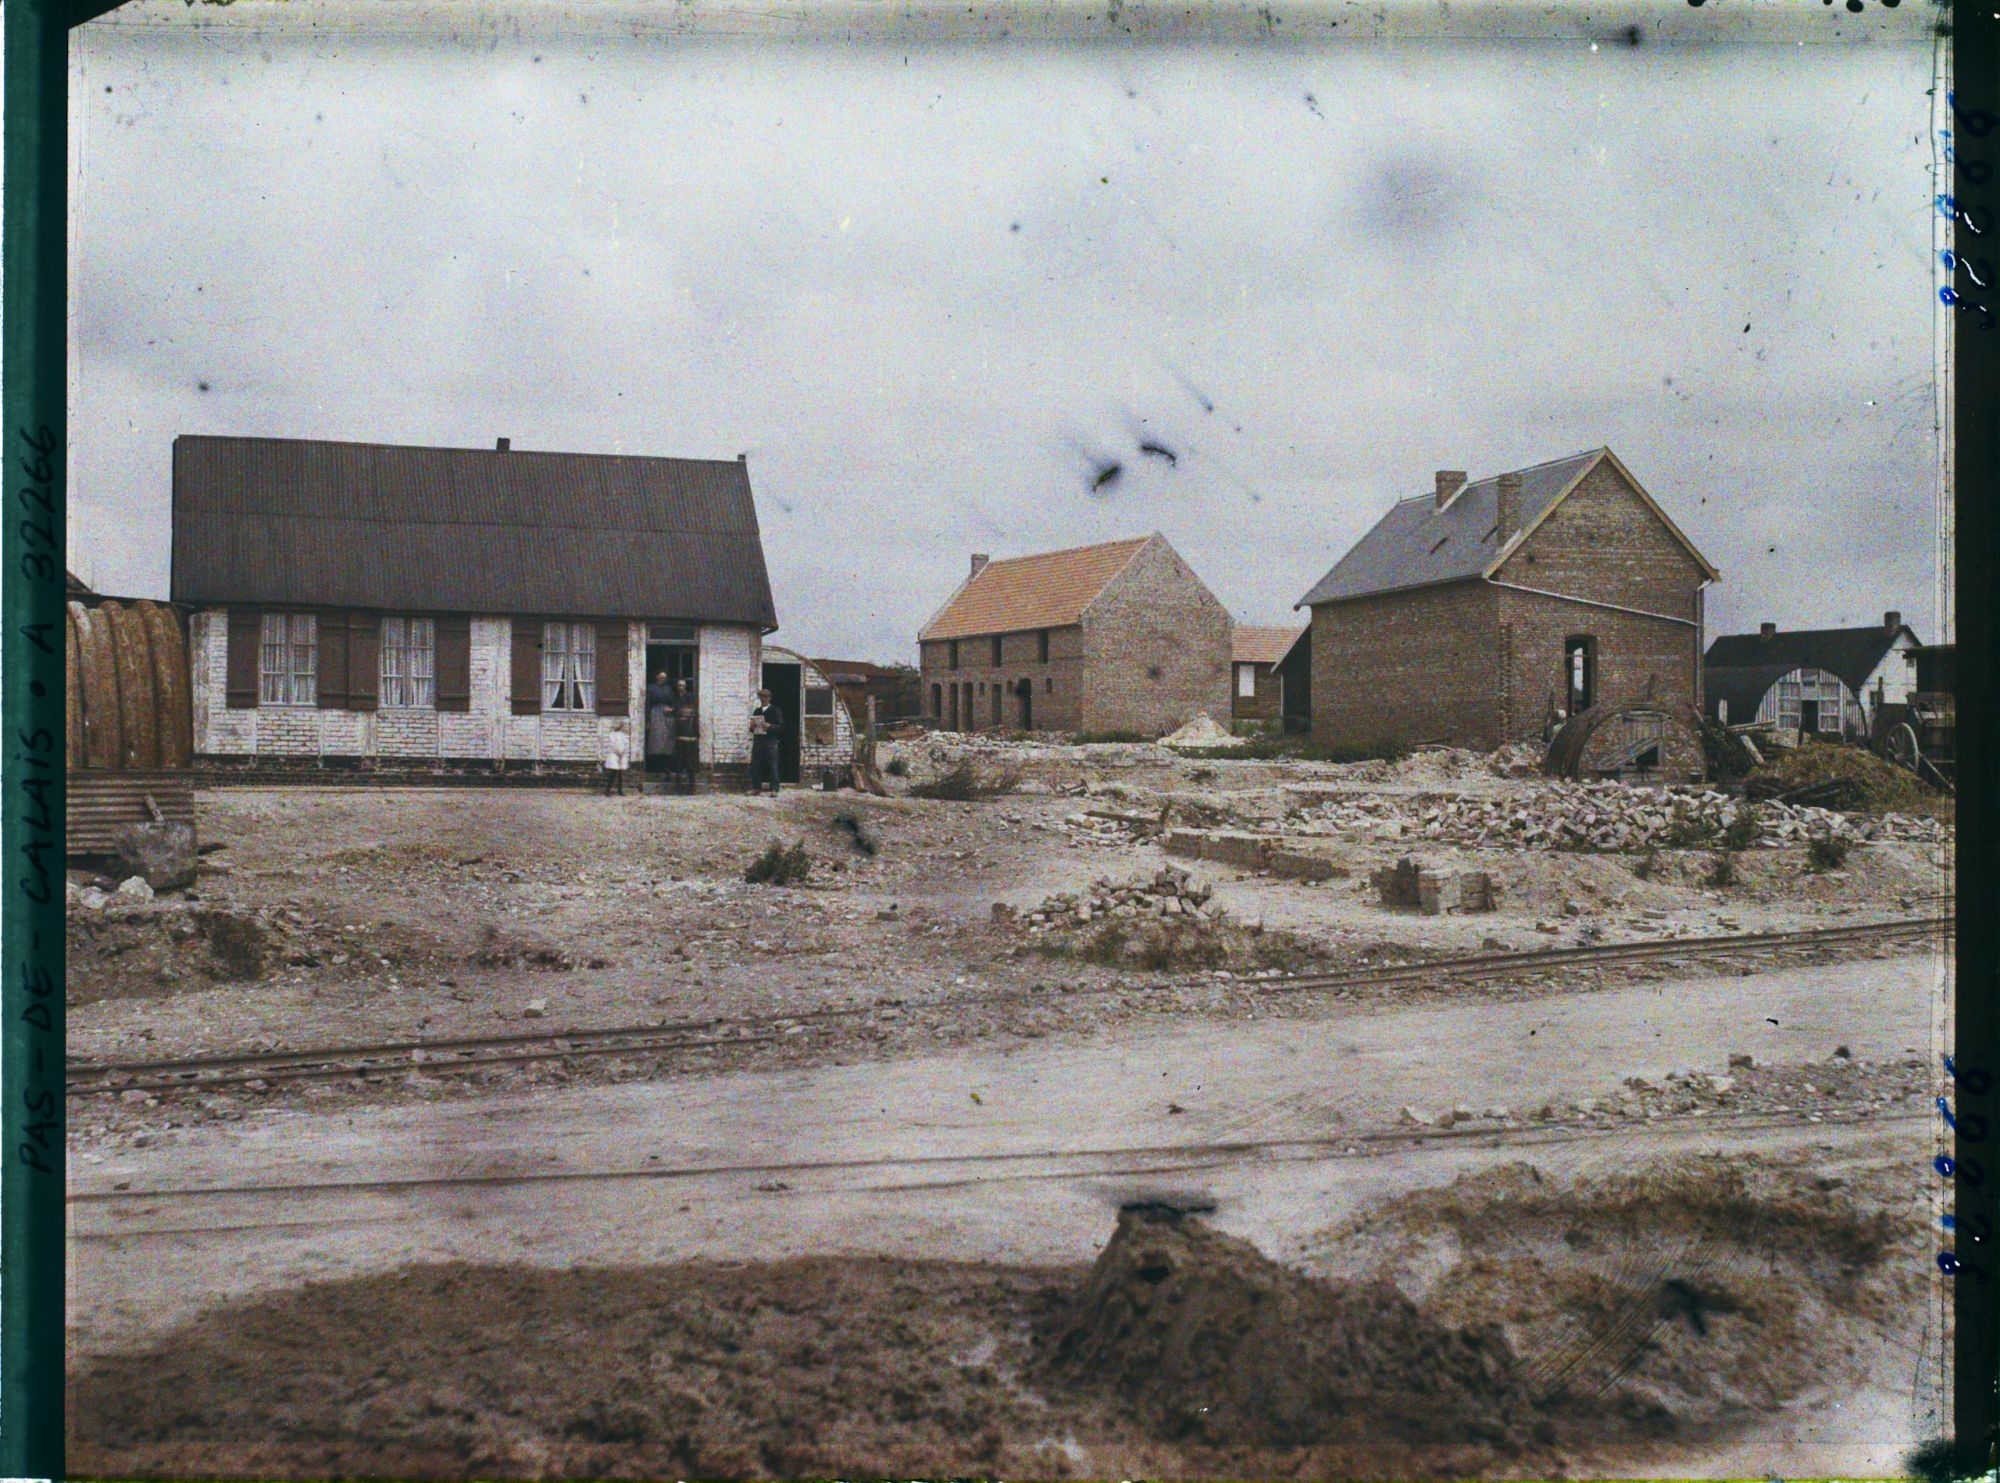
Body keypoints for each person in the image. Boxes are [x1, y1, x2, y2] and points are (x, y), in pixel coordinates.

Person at [750, 687, 784, 795]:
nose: (763, 699)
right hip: (759, 741)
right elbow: (753, 729)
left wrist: (770, 726)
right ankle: (756, 788)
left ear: (769, 698)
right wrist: (752, 727)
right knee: (756, 764)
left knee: (772, 765)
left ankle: (774, 789)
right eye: (761, 697)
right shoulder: (757, 711)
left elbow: (781, 726)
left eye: (765, 697)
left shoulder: (775, 710)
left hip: (770, 741)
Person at [672, 679, 700, 793]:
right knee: (679, 765)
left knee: (691, 766)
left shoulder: (693, 721)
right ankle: (678, 788)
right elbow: (676, 732)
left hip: (691, 744)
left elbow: (697, 733)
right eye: (685, 709)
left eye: (689, 709)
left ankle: (691, 788)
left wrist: (694, 738)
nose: (687, 711)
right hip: (681, 743)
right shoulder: (679, 721)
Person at [645, 671, 676, 775]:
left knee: (667, 740)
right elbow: (648, 704)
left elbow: (674, 702)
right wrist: (648, 721)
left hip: (668, 716)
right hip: (655, 714)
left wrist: (671, 709)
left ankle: (667, 766)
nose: (663, 679)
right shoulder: (651, 688)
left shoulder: (669, 689)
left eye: (664, 678)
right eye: (661, 677)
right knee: (656, 740)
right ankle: (655, 767)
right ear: (656, 676)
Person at [601, 719, 631, 796]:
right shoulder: (612, 735)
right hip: (614, 755)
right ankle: (608, 790)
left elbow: (626, 744)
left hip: (622, 756)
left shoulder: (624, 735)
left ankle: (620, 790)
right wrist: (618, 752)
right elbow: (612, 744)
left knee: (621, 774)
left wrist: (623, 752)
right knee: (613, 773)